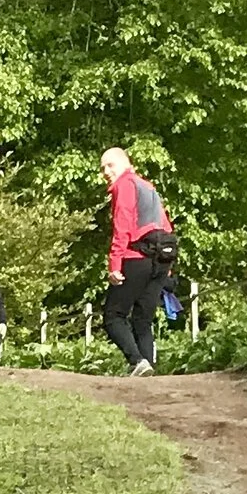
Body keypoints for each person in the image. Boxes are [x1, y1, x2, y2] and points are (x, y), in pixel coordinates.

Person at [101, 148, 176, 374]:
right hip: (161, 258)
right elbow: (165, 225)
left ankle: (137, 361)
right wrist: (168, 269)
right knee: (143, 319)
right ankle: (148, 371)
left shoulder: (124, 185)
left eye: (110, 165)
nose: (106, 172)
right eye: (103, 168)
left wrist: (115, 265)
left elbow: (122, 225)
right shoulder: (148, 187)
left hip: (136, 257)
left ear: (125, 163)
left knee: (113, 316)